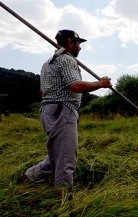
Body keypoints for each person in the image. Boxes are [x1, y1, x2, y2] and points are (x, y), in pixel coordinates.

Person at [23, 29, 112, 192]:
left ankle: (31, 176)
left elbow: (42, 92)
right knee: (66, 158)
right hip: (62, 111)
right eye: (78, 44)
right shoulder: (67, 60)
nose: (80, 48)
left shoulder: (47, 63)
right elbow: (75, 86)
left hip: (48, 111)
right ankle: (64, 200)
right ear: (70, 43)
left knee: (59, 152)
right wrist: (101, 84)